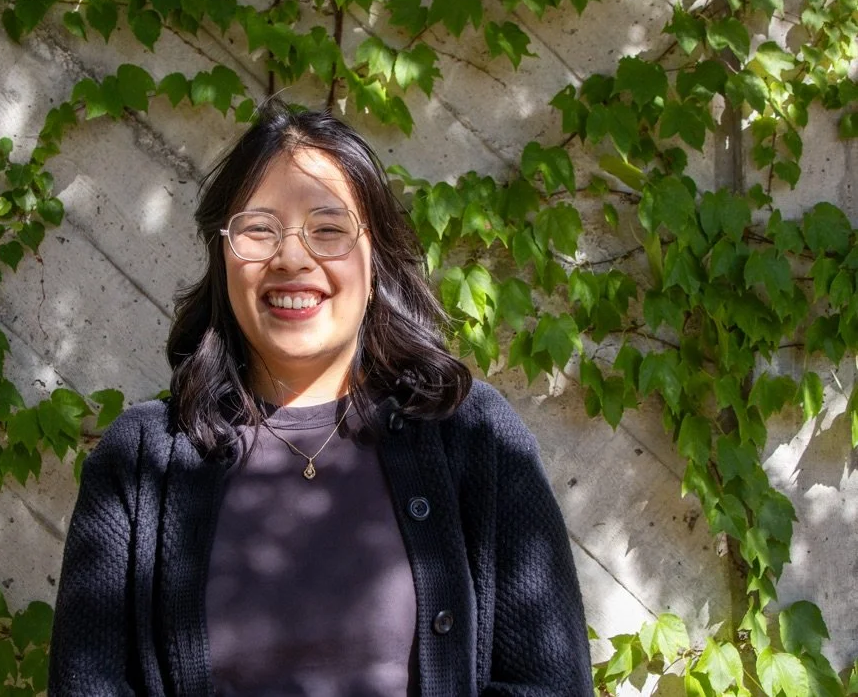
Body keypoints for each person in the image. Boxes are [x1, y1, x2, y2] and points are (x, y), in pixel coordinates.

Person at [48, 99, 593, 696]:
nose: (291, 258)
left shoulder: (473, 438)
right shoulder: (139, 463)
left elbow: (550, 684)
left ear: (376, 254)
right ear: (222, 254)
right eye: (258, 229)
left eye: (328, 230)